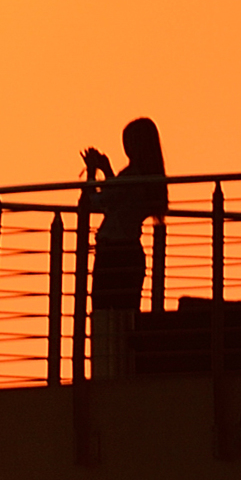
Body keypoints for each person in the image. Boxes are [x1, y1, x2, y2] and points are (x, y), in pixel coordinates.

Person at [79, 119, 168, 378]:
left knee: (105, 315)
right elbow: (115, 200)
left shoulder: (132, 177)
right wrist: (107, 173)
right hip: (129, 253)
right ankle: (125, 371)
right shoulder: (147, 178)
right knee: (126, 314)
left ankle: (110, 373)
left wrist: (95, 172)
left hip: (114, 255)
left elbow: (96, 201)